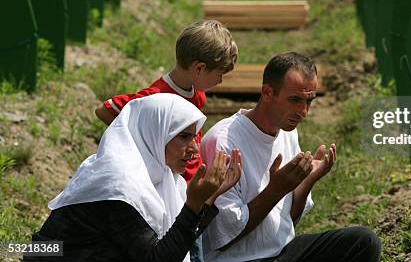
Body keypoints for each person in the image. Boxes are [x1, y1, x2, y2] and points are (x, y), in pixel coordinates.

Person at [201, 52, 382, 262]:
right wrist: (276, 189)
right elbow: (223, 236)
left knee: (364, 242)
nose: (303, 111)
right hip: (238, 259)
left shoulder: (287, 132)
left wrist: (306, 181)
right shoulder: (224, 141)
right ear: (267, 92)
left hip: (281, 252)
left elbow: (289, 218)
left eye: (309, 101)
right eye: (295, 100)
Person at [26, 94, 242, 262]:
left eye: (194, 137)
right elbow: (158, 258)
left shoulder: (161, 175)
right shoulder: (120, 184)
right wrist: (193, 205)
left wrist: (206, 200)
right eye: (184, 137)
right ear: (154, 133)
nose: (195, 149)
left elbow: (174, 241)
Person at [94, 20, 238, 262]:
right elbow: (105, 110)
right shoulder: (155, 97)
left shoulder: (197, 95)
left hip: (188, 189)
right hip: (168, 190)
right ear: (199, 68)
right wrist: (142, 145)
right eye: (219, 74)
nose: (221, 81)